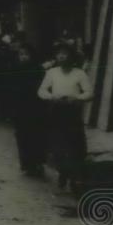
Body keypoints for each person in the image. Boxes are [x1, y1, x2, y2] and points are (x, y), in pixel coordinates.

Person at [38, 43, 94, 191]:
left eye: (65, 53)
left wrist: (77, 98)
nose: (62, 56)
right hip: (56, 111)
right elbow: (41, 90)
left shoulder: (79, 73)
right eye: (59, 54)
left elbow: (89, 92)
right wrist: (51, 97)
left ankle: (76, 177)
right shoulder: (52, 73)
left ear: (72, 56)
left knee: (76, 145)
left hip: (73, 112)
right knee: (58, 145)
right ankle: (63, 172)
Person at [6, 44, 48, 177]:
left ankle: (38, 162)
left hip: (36, 108)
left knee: (38, 135)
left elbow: (43, 88)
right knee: (23, 136)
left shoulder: (38, 70)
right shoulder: (14, 70)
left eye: (26, 54)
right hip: (20, 109)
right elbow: (10, 90)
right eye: (21, 55)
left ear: (32, 56)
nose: (23, 57)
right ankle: (27, 164)